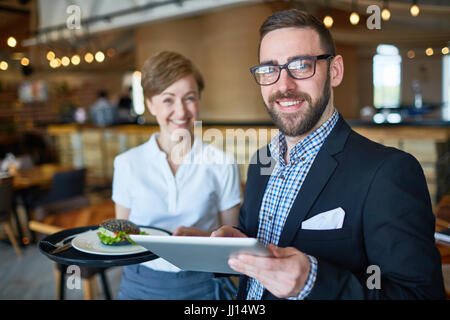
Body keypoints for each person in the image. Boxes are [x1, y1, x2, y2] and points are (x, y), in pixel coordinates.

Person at [212, 9, 445, 300]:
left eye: (300, 65)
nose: (283, 85)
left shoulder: (388, 172)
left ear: (334, 71)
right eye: (269, 69)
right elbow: (262, 242)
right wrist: (234, 244)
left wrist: (312, 281)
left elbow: (420, 295)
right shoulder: (262, 160)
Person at [113, 51, 242, 300]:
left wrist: (203, 239)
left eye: (189, 98)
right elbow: (122, 236)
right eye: (168, 100)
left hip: (203, 282)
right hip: (140, 283)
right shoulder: (127, 164)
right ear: (150, 104)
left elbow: (232, 240)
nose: (181, 111)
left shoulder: (222, 163)